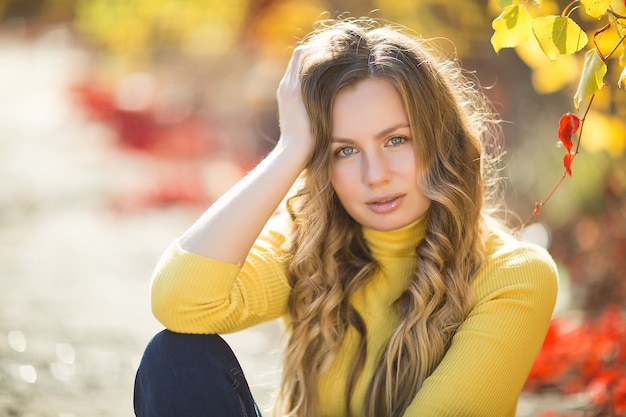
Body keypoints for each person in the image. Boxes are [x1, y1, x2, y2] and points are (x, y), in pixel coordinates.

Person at [133, 17, 558, 417]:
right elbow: (179, 300)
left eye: (396, 140)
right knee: (174, 361)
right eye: (345, 150)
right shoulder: (309, 243)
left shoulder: (515, 276)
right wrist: (289, 150)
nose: (375, 176)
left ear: (440, 139)